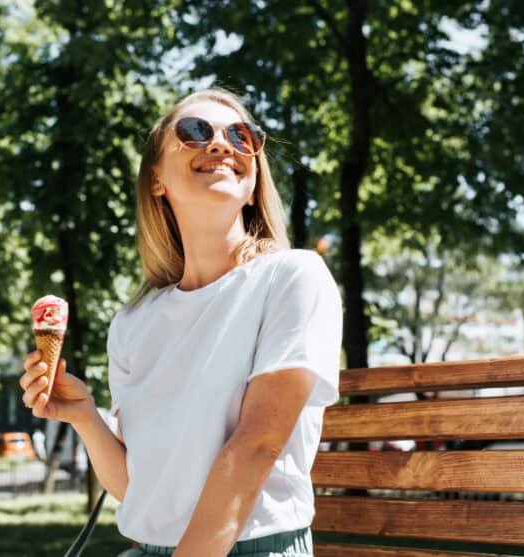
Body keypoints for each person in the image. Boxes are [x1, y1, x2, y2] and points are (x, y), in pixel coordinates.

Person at [20, 87, 343, 557]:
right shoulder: (133, 323)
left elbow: (257, 447)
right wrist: (84, 416)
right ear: (156, 179)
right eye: (196, 131)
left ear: (253, 178)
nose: (222, 144)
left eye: (242, 136)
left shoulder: (293, 277)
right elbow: (140, 491)